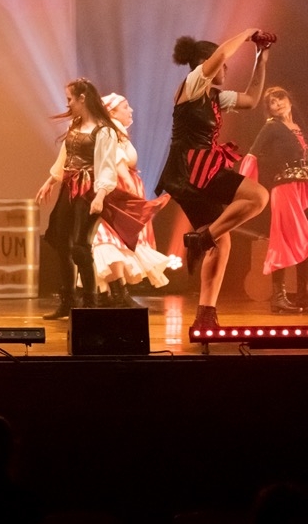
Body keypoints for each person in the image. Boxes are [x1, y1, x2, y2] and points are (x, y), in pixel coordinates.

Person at [155, 28, 271, 333]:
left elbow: (251, 99)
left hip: (196, 172)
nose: (226, 68)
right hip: (191, 169)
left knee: (222, 241)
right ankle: (201, 239)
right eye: (223, 65)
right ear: (207, 63)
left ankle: (205, 314)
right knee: (258, 197)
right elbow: (221, 54)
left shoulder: (216, 96)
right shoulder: (193, 84)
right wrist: (247, 33)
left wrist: (260, 57)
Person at [36, 79, 161, 319]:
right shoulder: (75, 124)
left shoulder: (104, 130)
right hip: (70, 187)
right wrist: (50, 181)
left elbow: (106, 166)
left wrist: (100, 195)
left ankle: (90, 303)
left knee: (81, 246)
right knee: (61, 242)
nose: (68, 104)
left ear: (82, 99)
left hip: (89, 191)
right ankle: (68, 301)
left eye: (70, 99)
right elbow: (65, 157)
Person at [89, 93, 172, 307]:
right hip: (118, 192)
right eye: (125, 106)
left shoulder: (116, 130)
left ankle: (109, 294)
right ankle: (116, 294)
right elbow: (117, 163)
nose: (131, 110)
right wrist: (133, 195)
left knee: (112, 240)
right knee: (111, 239)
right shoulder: (112, 130)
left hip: (119, 189)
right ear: (112, 112)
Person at [244, 87, 308, 314]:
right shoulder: (271, 126)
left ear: (289, 99)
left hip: (303, 188)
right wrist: (245, 188)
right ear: (269, 109)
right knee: (283, 240)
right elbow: (253, 154)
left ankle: (303, 296)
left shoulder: (299, 127)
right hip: (284, 189)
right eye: (272, 102)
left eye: (280, 98)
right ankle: (279, 297)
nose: (277, 103)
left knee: (305, 240)